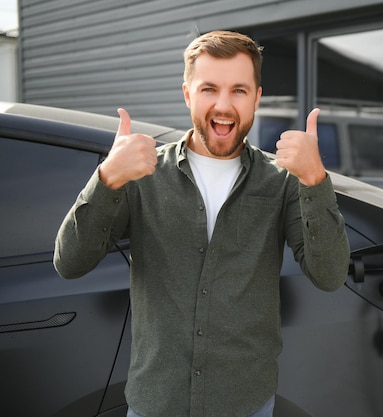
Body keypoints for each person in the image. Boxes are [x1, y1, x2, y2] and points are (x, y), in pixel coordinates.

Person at [54, 30, 350, 417]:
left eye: (239, 91)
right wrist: (107, 178)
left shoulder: (282, 180)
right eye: (209, 88)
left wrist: (315, 181)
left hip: (245, 404)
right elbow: (70, 263)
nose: (224, 106)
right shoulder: (141, 173)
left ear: (257, 98)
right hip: (156, 402)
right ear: (187, 93)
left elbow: (329, 276)